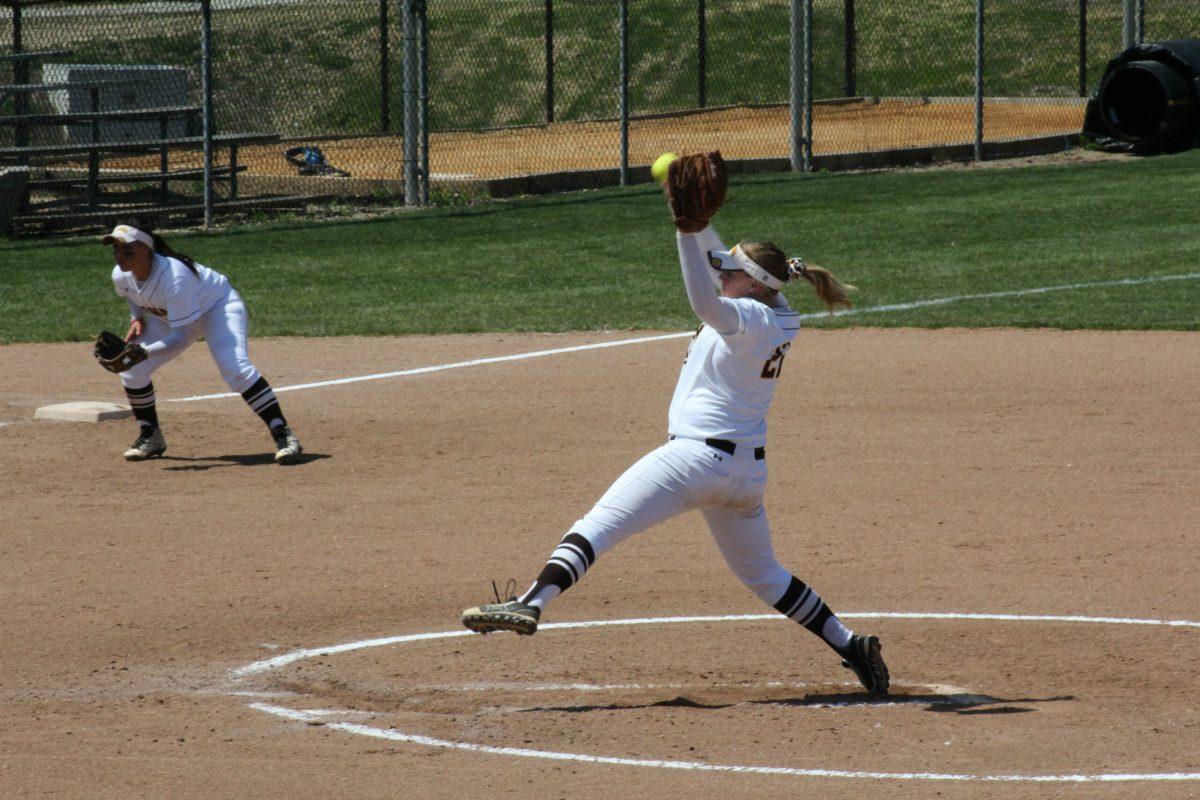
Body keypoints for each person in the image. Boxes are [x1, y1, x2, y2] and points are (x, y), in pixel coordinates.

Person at [461, 169, 890, 695]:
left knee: (598, 525)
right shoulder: (776, 312)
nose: (722, 275)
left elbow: (704, 303)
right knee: (765, 576)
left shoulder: (748, 318)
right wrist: (697, 225)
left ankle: (530, 604)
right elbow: (716, 275)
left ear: (753, 283)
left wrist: (685, 232)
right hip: (744, 474)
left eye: (733, 271)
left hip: (693, 462)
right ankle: (851, 645)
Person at [99, 219, 303, 465]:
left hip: (217, 309)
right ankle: (150, 437)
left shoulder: (174, 277)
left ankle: (284, 435)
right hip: (170, 314)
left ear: (145, 248)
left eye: (126, 248)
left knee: (234, 369)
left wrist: (144, 351)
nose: (120, 255)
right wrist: (137, 317)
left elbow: (182, 336)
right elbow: (132, 295)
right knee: (133, 369)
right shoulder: (121, 274)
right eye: (116, 249)